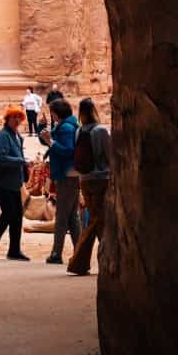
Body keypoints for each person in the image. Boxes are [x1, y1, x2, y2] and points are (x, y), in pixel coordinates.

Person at [66, 98, 111, 276]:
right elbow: (109, 155)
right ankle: (78, 262)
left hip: (84, 181)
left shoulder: (78, 131)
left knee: (97, 220)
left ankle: (106, 259)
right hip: (101, 180)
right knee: (96, 221)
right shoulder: (100, 130)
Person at [0, 106, 31, 261]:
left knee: (17, 215)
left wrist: (23, 171)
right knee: (10, 212)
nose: (17, 120)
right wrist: (22, 162)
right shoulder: (3, 136)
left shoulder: (17, 136)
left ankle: (14, 250)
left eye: (19, 117)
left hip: (12, 181)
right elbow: (1, 159)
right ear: (7, 119)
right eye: (13, 117)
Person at [41, 98, 80, 265]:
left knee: (62, 216)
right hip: (69, 175)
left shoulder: (66, 128)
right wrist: (42, 131)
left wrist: (51, 142)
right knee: (71, 217)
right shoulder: (64, 126)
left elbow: (68, 151)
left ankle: (57, 253)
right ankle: (80, 252)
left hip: (67, 176)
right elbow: (49, 139)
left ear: (56, 113)